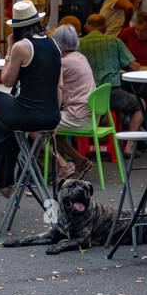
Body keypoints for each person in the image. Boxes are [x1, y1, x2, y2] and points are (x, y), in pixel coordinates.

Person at [0, 0, 62, 194]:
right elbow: (59, 86)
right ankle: (2, 175)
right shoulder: (54, 45)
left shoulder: (21, 47)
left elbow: (7, 80)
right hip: (51, 115)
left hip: (28, 114)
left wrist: (9, 48)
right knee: (5, 125)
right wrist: (54, 119)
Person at [78, 13, 142, 134]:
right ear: (105, 27)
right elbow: (134, 67)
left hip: (85, 97)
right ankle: (130, 145)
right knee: (141, 105)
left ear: (86, 27)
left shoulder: (78, 44)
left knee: (116, 111)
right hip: (111, 95)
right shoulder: (114, 41)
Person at [51, 24, 96, 179]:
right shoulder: (80, 57)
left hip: (77, 117)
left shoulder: (63, 62)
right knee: (48, 128)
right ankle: (79, 160)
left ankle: (62, 165)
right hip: (89, 114)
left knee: (35, 126)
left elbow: (56, 87)